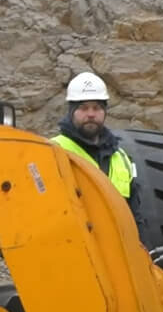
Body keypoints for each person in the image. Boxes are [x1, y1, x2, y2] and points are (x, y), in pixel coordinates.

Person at [51, 70, 144, 227]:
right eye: (83, 108)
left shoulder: (121, 158)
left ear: (105, 112)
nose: (91, 114)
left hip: (115, 248)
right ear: (71, 112)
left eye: (97, 108)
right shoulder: (52, 151)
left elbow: (135, 217)